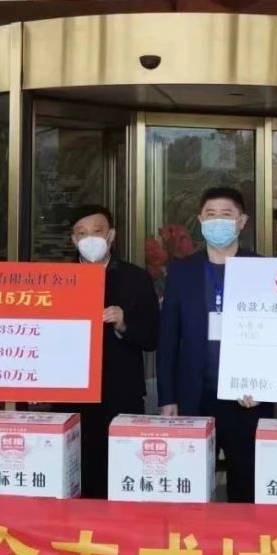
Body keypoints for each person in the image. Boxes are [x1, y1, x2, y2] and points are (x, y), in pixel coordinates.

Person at [157, 186, 277, 503]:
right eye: (211, 215)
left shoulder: (264, 270)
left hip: (247, 398)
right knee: (191, 484)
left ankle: (242, 534)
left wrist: (272, 385)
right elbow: (168, 337)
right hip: (194, 393)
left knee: (245, 484)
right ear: (201, 221)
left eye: (226, 215)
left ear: (242, 221)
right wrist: (167, 396)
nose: (218, 221)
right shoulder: (182, 271)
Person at [59, 204, 159, 499]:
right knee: (72, 475)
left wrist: (124, 324)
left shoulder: (136, 278)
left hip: (120, 392)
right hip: (70, 395)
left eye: (97, 231)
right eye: (82, 233)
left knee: (118, 476)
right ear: (73, 239)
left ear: (111, 235)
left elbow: (152, 338)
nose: (89, 238)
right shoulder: (58, 278)